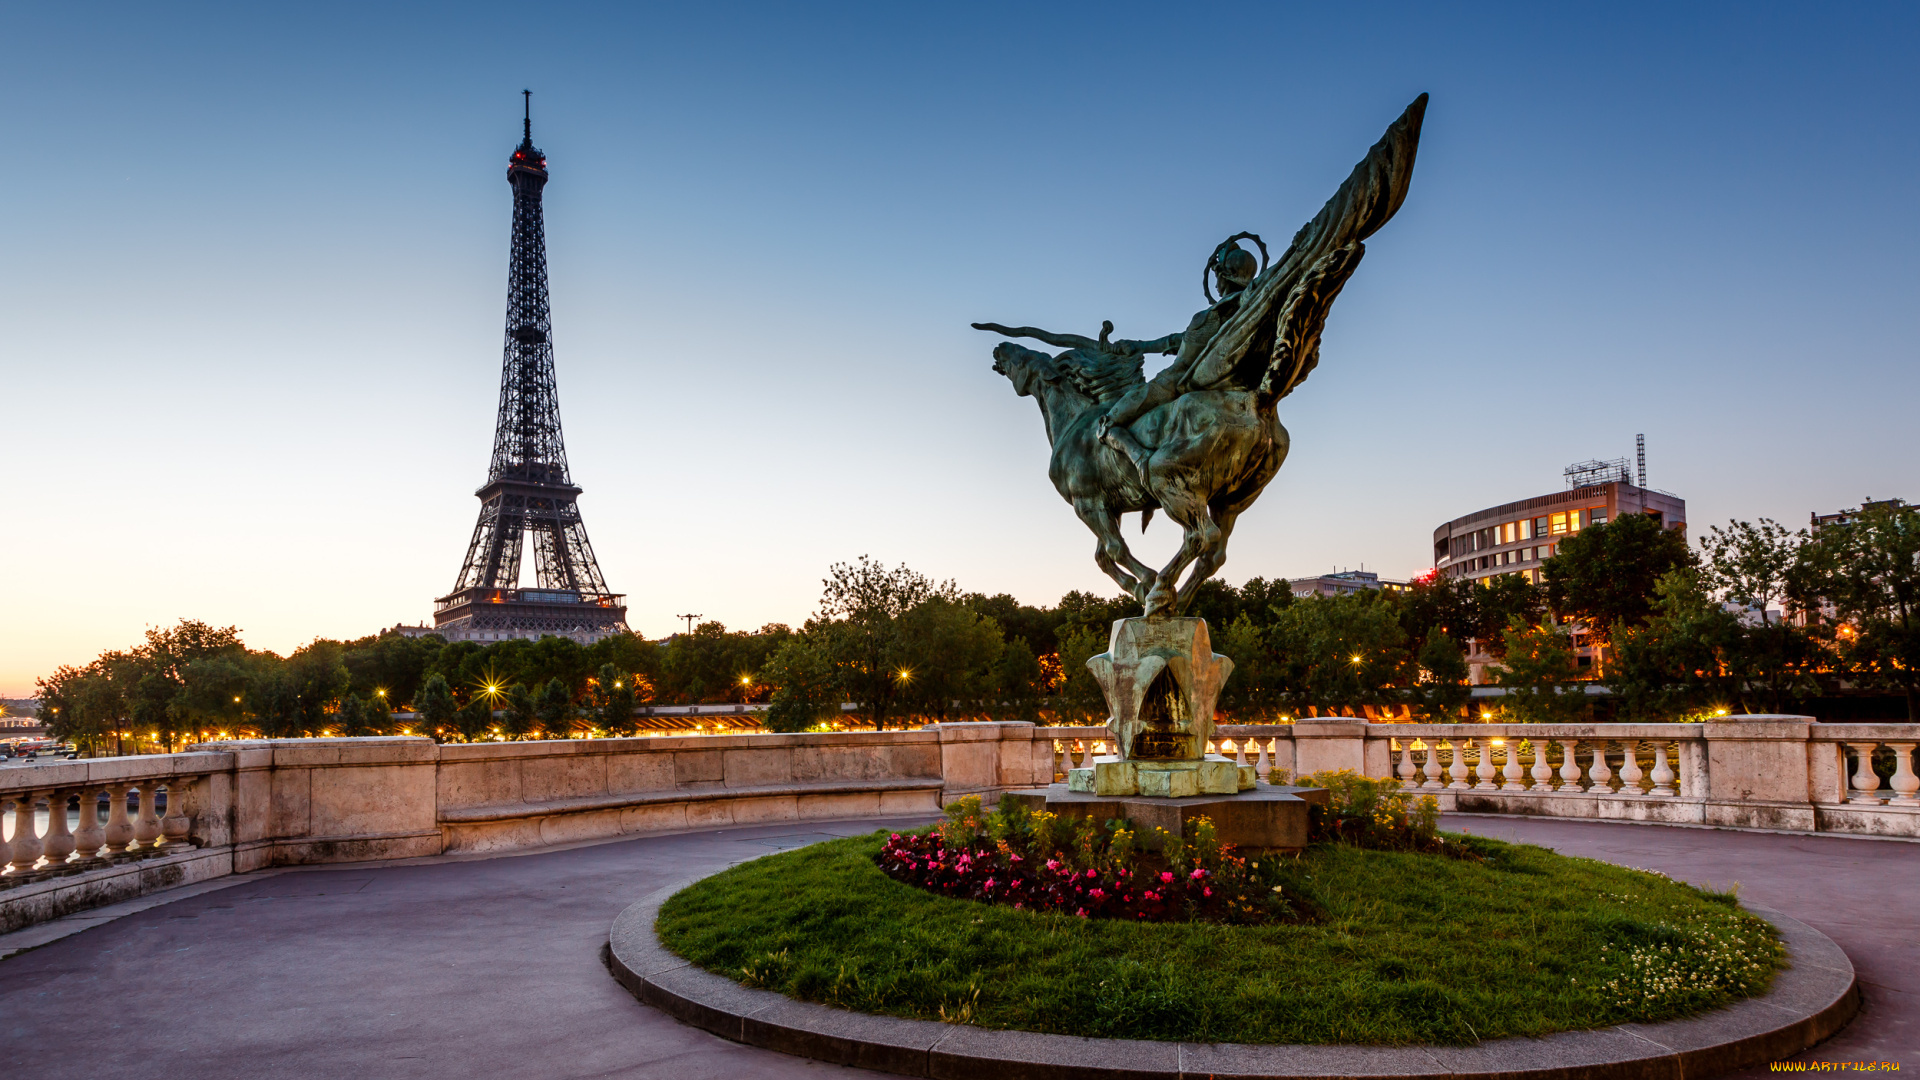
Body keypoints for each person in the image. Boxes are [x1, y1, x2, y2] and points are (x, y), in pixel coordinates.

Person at [1095, 239, 1260, 484]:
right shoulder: (1245, 313)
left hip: (1173, 383)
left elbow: (1183, 346)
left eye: (1218, 276)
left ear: (1225, 277)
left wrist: (1139, 347)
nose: (1215, 282)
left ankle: (1141, 460)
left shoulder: (1208, 317)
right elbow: (1179, 340)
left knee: (1107, 422)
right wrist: (1140, 346)